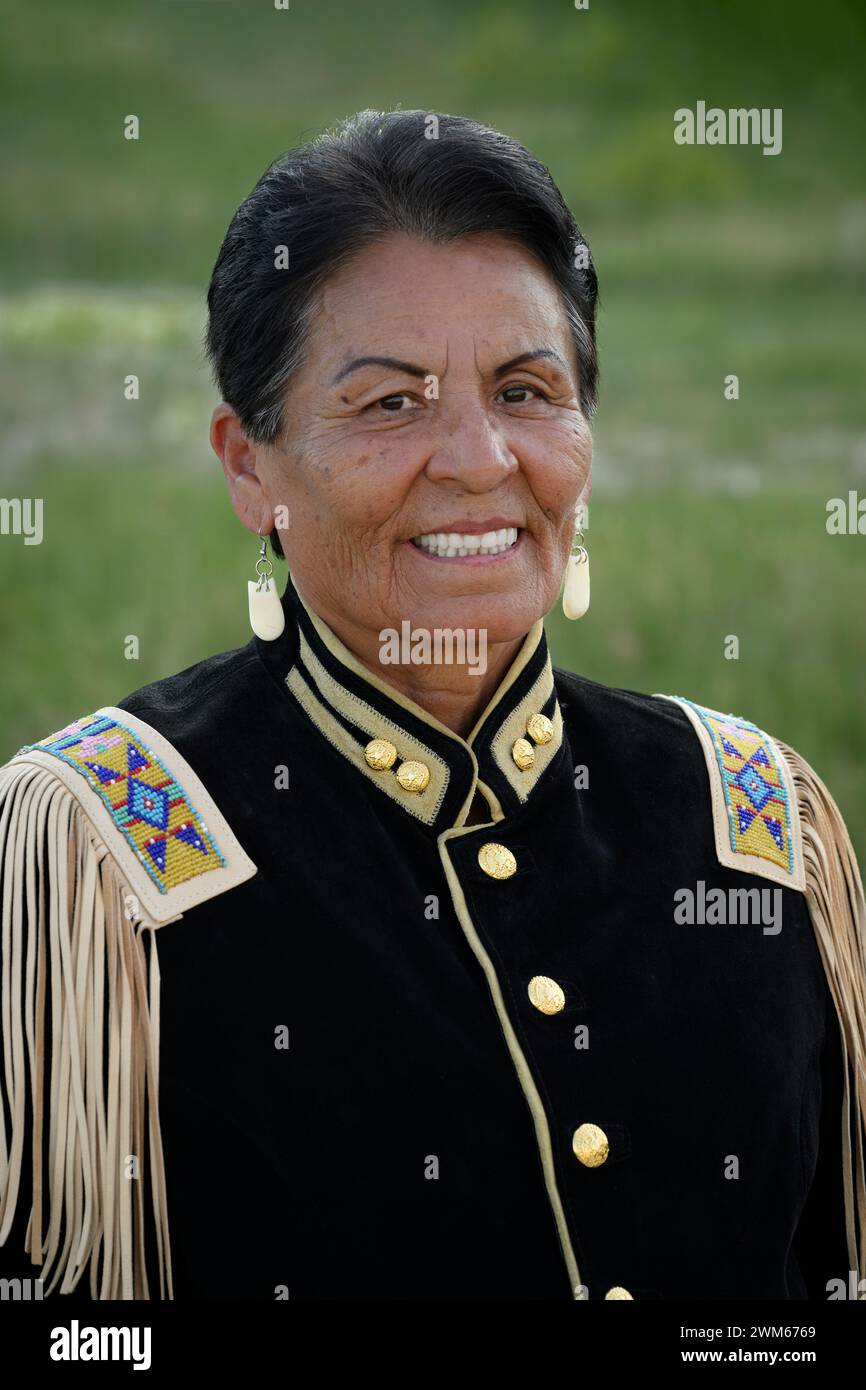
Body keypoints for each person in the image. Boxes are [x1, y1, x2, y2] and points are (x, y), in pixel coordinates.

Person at [1, 109, 864, 1302]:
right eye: (389, 403)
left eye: (525, 389)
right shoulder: (101, 858)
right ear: (249, 466)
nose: (475, 458)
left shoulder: (752, 821)